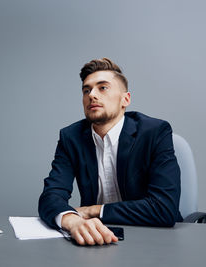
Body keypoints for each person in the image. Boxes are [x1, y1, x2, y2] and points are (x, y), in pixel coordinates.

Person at [38, 58, 182, 246]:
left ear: (125, 99)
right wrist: (72, 221)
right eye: (86, 90)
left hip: (154, 239)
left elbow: (164, 208)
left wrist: (93, 211)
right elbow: (51, 195)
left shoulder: (155, 132)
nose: (92, 95)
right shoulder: (71, 137)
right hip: (95, 239)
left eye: (103, 88)